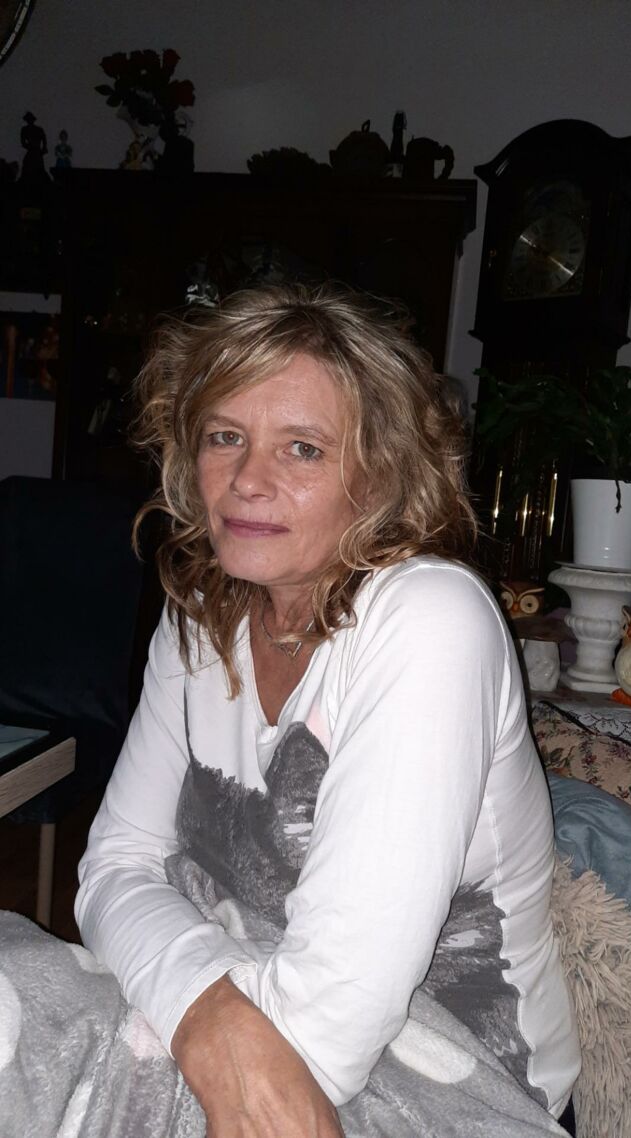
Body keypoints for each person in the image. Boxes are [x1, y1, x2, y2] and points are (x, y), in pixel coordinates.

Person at [73, 282, 579, 1137]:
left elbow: (328, 1033)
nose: (246, 480)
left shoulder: (429, 619)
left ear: (380, 476)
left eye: (302, 449)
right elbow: (114, 866)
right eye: (224, 436)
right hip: (232, 1004)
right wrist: (205, 1006)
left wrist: (182, 989)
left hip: (455, 1083)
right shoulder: (200, 614)